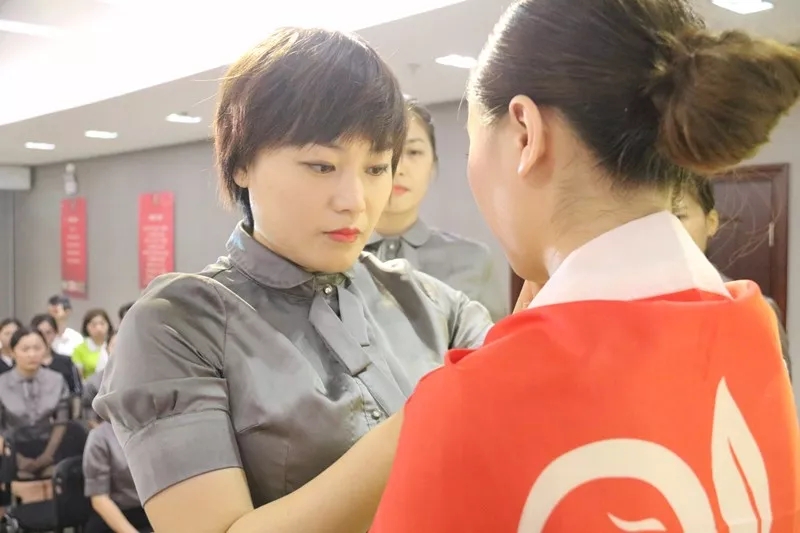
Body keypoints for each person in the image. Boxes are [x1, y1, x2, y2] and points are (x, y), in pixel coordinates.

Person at [95, 26, 492, 532]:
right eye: (321, 166)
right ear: (242, 163)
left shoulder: (428, 301)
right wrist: (439, 407)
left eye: (376, 169)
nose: (355, 200)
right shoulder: (180, 323)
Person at [367, 97, 507, 320]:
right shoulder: (330, 256)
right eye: (384, 152)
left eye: (413, 152)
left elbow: (493, 339)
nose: (399, 168)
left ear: (433, 165)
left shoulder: (472, 260)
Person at [673, 175, 792, 378]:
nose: (664, 229)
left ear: (711, 222)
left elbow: (774, 394)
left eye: (678, 216)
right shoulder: (624, 301)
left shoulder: (754, 308)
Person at [83, 330, 151, 533]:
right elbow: (100, 499)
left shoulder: (159, 426)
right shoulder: (100, 437)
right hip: (118, 516)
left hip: (157, 509)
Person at [0, 328, 70, 481]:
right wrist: (17, 460)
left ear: (45, 349)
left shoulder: (57, 380)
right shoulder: (2, 383)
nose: (32, 354)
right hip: (11, 447)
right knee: (18, 477)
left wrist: (46, 456)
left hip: (49, 445)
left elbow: (61, 422)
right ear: (12, 352)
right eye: (25, 349)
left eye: (37, 348)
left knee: (57, 476)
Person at [30, 314, 83, 395]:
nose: (44, 337)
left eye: (48, 332)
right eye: (40, 333)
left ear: (55, 334)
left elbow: (77, 390)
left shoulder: (66, 361)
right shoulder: (25, 361)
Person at [72, 309, 112, 378]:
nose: (99, 328)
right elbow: (79, 377)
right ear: (86, 327)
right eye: (94, 325)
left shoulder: (113, 345)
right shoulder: (79, 349)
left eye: (102, 324)